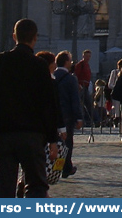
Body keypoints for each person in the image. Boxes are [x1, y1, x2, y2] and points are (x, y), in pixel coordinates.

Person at [0, 19, 63, 198]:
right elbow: (49, 105)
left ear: (14, 36)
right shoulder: (39, 66)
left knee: (4, 188)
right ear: (35, 38)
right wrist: (53, 139)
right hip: (32, 136)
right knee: (36, 185)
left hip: (3, 134)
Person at [53, 51, 83, 179]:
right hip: (66, 115)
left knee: (54, 142)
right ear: (66, 62)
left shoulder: (51, 75)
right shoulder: (71, 79)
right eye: (70, 61)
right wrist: (79, 117)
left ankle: (58, 167)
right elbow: (74, 100)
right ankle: (64, 168)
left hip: (52, 114)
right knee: (66, 144)